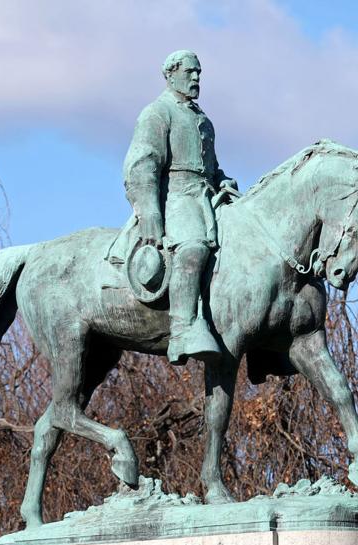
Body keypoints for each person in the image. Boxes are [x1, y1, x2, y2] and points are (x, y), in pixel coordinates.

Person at [113, 49, 240, 365]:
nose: (196, 78)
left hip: (207, 198)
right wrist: (149, 212)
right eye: (190, 72)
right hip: (176, 199)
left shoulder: (203, 120)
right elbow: (142, 164)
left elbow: (211, 167)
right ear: (170, 74)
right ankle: (183, 329)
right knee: (193, 248)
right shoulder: (158, 113)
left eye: (199, 73)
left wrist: (223, 181)